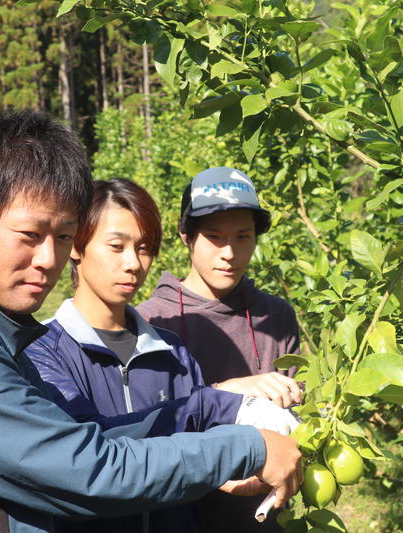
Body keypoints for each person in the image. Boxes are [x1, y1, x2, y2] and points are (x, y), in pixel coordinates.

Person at [0, 111, 303, 533]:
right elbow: (85, 469)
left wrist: (218, 408)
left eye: (64, 235)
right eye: (30, 236)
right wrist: (246, 448)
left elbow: (90, 436)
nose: (48, 259)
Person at [24, 178, 300, 532]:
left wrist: (224, 476)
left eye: (144, 247)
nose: (133, 263)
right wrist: (220, 406)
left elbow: (198, 451)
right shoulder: (42, 352)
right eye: (116, 246)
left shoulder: (172, 351)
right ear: (77, 244)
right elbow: (88, 457)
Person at [136, 166, 303, 532]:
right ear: (186, 237)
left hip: (260, 517)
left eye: (243, 237)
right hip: (177, 518)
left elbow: (298, 421)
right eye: (214, 237)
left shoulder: (276, 316)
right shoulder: (149, 322)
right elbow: (138, 433)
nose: (229, 252)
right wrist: (225, 392)